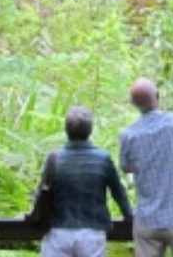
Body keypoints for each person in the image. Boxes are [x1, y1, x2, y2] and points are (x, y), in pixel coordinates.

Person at [118, 78, 173, 257]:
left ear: (134, 104)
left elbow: (125, 167)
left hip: (148, 220)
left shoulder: (128, 136)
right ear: (157, 96)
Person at [36, 105, 133, 257]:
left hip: (59, 231)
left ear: (67, 130)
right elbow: (118, 192)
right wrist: (129, 216)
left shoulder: (54, 159)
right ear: (90, 130)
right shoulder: (103, 159)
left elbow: (42, 193)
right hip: (92, 232)